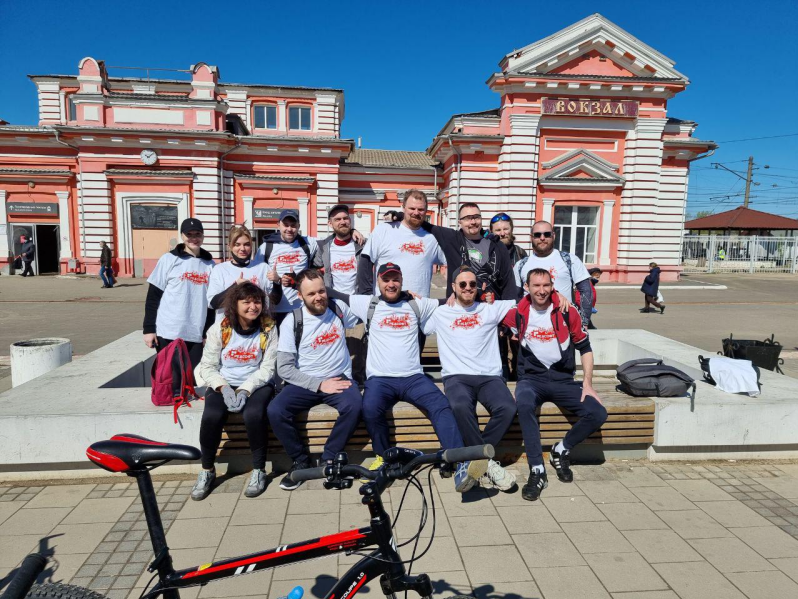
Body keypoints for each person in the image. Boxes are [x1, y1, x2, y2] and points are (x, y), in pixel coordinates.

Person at [335, 262, 487, 493]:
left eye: (395, 279)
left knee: (441, 405)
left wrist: (473, 295)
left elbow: (447, 299)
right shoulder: (368, 303)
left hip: (413, 378)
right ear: (378, 282)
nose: (391, 284)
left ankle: (457, 461)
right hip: (380, 379)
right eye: (386, 279)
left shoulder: (416, 303)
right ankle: (384, 457)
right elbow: (334, 293)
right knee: (370, 408)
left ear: (402, 281)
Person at [504, 268, 606, 502]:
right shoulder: (517, 312)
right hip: (531, 380)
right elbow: (482, 311)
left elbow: (585, 348)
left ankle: (561, 450)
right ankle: (537, 470)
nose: (541, 290)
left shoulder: (567, 311)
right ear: (527, 287)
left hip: (563, 379)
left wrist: (588, 383)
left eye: (546, 285)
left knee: (597, 412)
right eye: (536, 285)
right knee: (524, 404)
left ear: (552, 287)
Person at [422, 266, 517, 491]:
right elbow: (417, 315)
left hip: (489, 376)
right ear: (453, 287)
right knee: (459, 406)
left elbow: (525, 299)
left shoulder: (491, 309)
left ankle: (476, 460)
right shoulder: (441, 313)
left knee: (508, 407)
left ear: (478, 287)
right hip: (457, 377)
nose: (467, 288)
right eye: (462, 284)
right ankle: (487, 463)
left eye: (472, 284)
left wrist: (559, 295)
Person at [268, 268, 363, 491]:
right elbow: (284, 368)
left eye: (321, 291)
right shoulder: (292, 321)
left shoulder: (338, 309)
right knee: (275, 410)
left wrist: (405, 298)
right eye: (311, 294)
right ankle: (300, 461)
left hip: (338, 377)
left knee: (355, 405)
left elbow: (369, 313)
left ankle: (329, 459)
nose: (318, 297)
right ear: (300, 296)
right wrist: (319, 384)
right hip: (305, 381)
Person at [193, 282, 278, 500]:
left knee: (254, 414)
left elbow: (268, 368)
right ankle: (207, 470)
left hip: (256, 384)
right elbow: (208, 366)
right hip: (224, 383)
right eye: (246, 302)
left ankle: (259, 470)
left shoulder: (268, 328)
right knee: (212, 416)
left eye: (257, 301)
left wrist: (245, 390)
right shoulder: (220, 328)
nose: (253, 307)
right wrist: (223, 388)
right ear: (235, 304)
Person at [143, 217, 215, 370]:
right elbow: (153, 297)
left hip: (195, 332)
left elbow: (211, 304)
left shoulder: (210, 264)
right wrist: (149, 329)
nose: (193, 238)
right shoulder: (169, 259)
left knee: (194, 377)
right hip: (168, 331)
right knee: (171, 377)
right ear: (182, 236)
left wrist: (207, 332)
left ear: (203, 236)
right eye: (189, 234)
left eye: (197, 234)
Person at [313, 205, 367, 386]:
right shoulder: (324, 247)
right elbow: (314, 268)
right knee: (333, 348)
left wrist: (354, 232)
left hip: (356, 304)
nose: (342, 222)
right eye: (337, 219)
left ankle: (358, 387)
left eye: (345, 218)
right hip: (333, 306)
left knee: (356, 353)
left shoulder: (362, 244)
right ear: (330, 224)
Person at [357, 189, 446, 297]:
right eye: (412, 208)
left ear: (426, 210)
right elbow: (365, 263)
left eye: (421, 209)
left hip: (419, 304)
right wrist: (366, 296)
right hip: (386, 303)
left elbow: (452, 262)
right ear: (403, 208)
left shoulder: (432, 238)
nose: (416, 212)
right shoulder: (383, 230)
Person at [421, 203, 518, 301]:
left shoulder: (498, 246)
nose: (473, 222)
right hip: (460, 306)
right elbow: (421, 223)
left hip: (490, 307)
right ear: (460, 222)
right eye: (467, 218)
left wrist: (510, 307)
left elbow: (508, 283)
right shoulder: (452, 239)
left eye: (476, 217)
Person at [514, 220, 593, 327]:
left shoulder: (569, 260)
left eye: (547, 234)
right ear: (531, 237)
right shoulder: (521, 265)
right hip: (530, 326)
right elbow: (516, 297)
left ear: (553, 236)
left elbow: (586, 291)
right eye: (537, 235)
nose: (542, 238)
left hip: (564, 324)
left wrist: (584, 323)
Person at [207, 225, 281, 323]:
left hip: (257, 327)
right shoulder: (219, 269)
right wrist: (236, 286)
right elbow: (213, 304)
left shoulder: (263, 267)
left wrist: (277, 282)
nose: (242, 248)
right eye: (237, 244)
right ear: (230, 246)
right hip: (228, 327)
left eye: (246, 244)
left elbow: (275, 301)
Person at [257, 209, 319, 325]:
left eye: (293, 225)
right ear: (278, 225)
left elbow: (332, 241)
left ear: (299, 226)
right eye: (285, 225)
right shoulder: (266, 247)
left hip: (301, 308)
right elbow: (257, 275)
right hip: (274, 309)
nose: (289, 229)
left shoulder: (308, 243)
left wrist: (352, 231)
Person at [490, 212, 527, 380]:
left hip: (517, 306)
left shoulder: (521, 253)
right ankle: (502, 376)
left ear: (511, 229)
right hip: (494, 307)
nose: (502, 233)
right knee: (498, 350)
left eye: (505, 229)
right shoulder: (488, 252)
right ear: (492, 231)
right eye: (498, 230)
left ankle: (519, 378)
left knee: (518, 348)